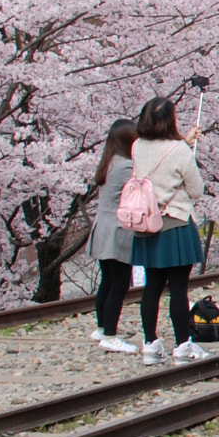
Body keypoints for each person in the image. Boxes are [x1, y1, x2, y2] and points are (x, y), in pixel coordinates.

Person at [129, 95, 206, 365]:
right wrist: (185, 147)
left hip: (147, 224)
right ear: (170, 120)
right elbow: (196, 189)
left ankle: (150, 343)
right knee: (178, 289)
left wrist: (184, 143)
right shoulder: (180, 151)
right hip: (175, 224)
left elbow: (157, 161)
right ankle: (183, 344)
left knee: (152, 287)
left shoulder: (137, 146)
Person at [89, 117, 139, 352]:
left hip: (102, 227)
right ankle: (110, 334)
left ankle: (102, 327)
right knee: (119, 284)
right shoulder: (127, 167)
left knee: (107, 281)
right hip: (118, 230)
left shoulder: (108, 163)